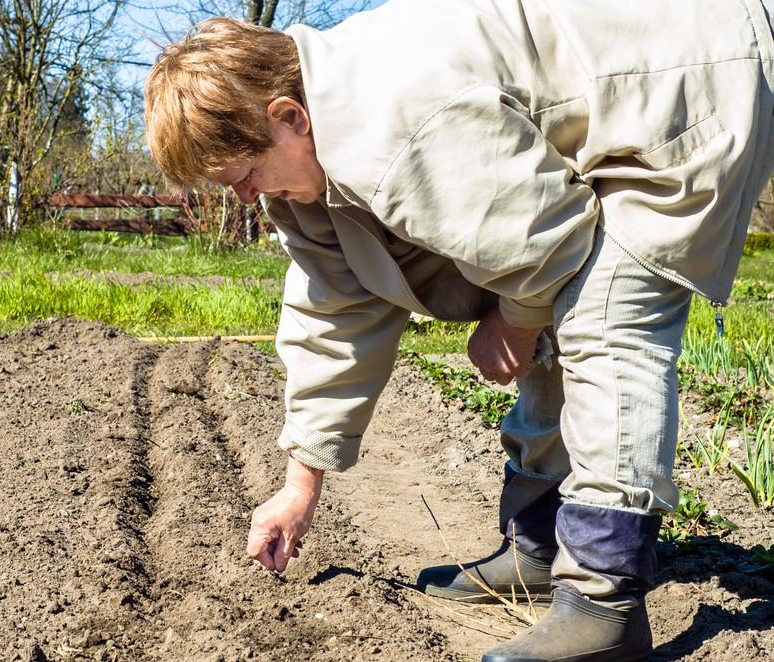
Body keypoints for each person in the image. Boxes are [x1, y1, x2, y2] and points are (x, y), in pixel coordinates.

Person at [143, 1, 774, 659]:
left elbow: (546, 245)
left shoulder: (391, 119)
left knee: (604, 315)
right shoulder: (309, 175)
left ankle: (604, 602)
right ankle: (544, 543)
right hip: (615, 97)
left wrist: (516, 321)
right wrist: (301, 485)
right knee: (551, 304)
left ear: (289, 118)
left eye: (244, 177)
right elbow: (334, 315)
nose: (247, 199)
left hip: (683, 85)